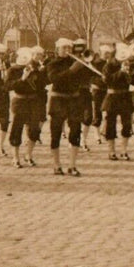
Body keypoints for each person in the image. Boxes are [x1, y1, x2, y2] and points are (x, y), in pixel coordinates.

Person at [45, 38, 91, 176]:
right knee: (56, 133)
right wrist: (72, 70)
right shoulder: (52, 64)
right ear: (57, 49)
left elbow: (86, 78)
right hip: (58, 100)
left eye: (69, 48)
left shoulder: (77, 62)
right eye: (64, 48)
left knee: (75, 132)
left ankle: (72, 165)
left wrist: (88, 66)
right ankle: (56, 165)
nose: (67, 50)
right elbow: (55, 79)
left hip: (74, 100)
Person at [6, 47, 45, 169]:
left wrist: (38, 72)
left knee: (34, 129)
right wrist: (22, 78)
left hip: (33, 101)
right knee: (17, 128)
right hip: (19, 101)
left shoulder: (34, 69)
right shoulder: (13, 70)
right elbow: (8, 86)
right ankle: (15, 157)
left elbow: (41, 86)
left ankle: (28, 154)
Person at [102, 54, 134, 161]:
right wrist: (121, 72)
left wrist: (129, 73)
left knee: (127, 124)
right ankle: (111, 151)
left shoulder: (130, 64)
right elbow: (107, 80)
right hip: (112, 97)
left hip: (125, 97)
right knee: (110, 124)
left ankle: (124, 150)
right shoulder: (109, 65)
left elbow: (133, 81)